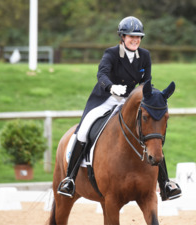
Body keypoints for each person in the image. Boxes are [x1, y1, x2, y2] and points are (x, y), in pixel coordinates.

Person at [58, 16, 182, 201]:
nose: (135, 40)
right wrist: (111, 87)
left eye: (138, 37)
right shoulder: (111, 53)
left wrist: (154, 96)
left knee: (152, 134)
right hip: (106, 99)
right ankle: (70, 179)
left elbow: (145, 83)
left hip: (130, 102)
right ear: (122, 37)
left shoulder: (145, 56)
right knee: (83, 131)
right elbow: (102, 74)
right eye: (131, 36)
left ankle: (165, 183)